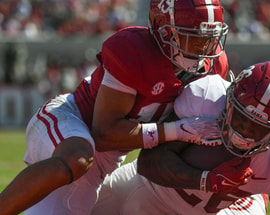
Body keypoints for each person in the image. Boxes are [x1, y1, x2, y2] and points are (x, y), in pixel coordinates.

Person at [0, 1, 252, 214]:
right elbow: (104, 132)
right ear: (163, 30)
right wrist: (177, 130)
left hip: (106, 160)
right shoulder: (135, 51)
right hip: (70, 121)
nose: (203, 49)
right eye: (192, 37)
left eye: (208, 38)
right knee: (78, 157)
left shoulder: (214, 64)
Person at [90, 61, 270, 215]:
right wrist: (206, 180)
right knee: (79, 207)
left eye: (257, 128)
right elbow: (148, 163)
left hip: (231, 208)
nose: (243, 133)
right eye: (240, 118)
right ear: (228, 99)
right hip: (151, 191)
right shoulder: (205, 99)